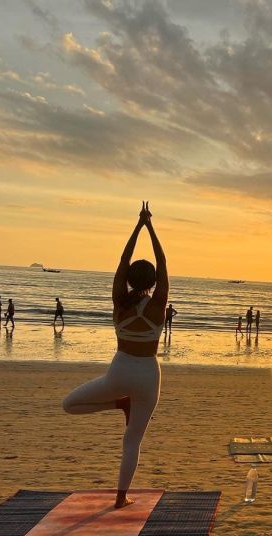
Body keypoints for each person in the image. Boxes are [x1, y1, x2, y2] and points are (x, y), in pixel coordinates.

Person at [61, 201, 168, 509]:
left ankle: (117, 403)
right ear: (153, 283)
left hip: (119, 372)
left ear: (130, 280)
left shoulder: (119, 300)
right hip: (148, 375)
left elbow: (124, 260)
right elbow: (163, 264)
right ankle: (121, 497)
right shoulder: (158, 304)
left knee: (69, 405)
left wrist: (138, 225)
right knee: (132, 441)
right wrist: (151, 227)